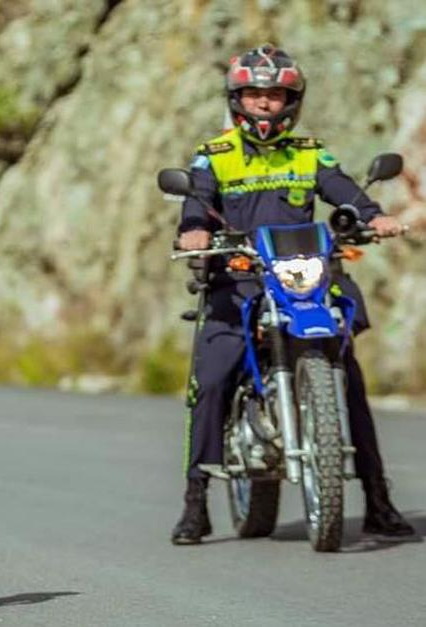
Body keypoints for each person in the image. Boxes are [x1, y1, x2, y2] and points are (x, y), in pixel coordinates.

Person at [172, 44, 414, 545]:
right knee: (212, 380)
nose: (265, 103)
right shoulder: (214, 156)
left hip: (303, 278)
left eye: (275, 93)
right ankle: (195, 503)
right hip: (237, 280)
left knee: (348, 381)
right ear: (237, 99)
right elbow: (196, 205)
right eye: (255, 94)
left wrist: (374, 217)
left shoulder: (309, 152)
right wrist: (194, 232)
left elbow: (342, 188)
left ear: (292, 99)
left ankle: (377, 500)